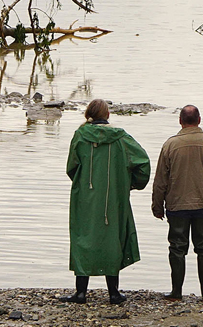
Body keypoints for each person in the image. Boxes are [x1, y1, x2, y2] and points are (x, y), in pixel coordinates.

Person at [61, 99, 150, 305]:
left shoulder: (80, 136)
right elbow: (143, 163)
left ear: (88, 115)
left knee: (83, 237)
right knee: (112, 237)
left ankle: (81, 293)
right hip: (114, 198)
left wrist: (83, 183)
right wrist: (130, 184)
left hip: (85, 197)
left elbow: (71, 167)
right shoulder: (121, 137)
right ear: (107, 115)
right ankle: (113, 293)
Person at [151, 105, 203, 302]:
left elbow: (160, 180)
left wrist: (157, 206)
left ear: (180, 121)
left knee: (177, 248)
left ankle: (176, 293)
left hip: (177, 206)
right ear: (199, 120)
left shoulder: (170, 145)